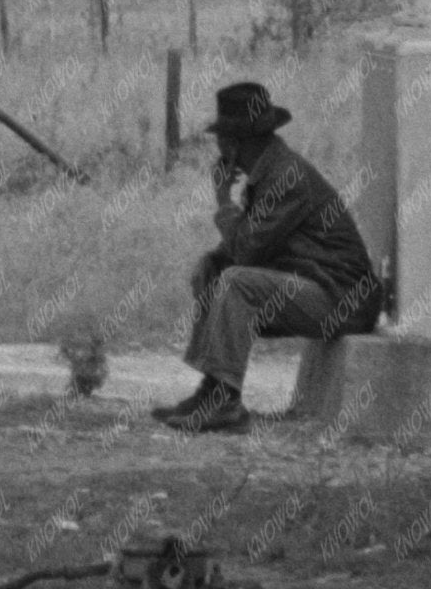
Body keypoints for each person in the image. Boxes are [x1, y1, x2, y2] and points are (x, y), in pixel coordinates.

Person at [155, 79, 383, 432]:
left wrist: (222, 201)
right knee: (213, 268)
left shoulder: (284, 178)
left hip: (342, 300)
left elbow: (247, 251)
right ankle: (212, 389)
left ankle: (225, 403)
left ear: (233, 142)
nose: (217, 145)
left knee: (235, 281)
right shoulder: (270, 170)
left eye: (221, 138)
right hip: (318, 289)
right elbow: (246, 247)